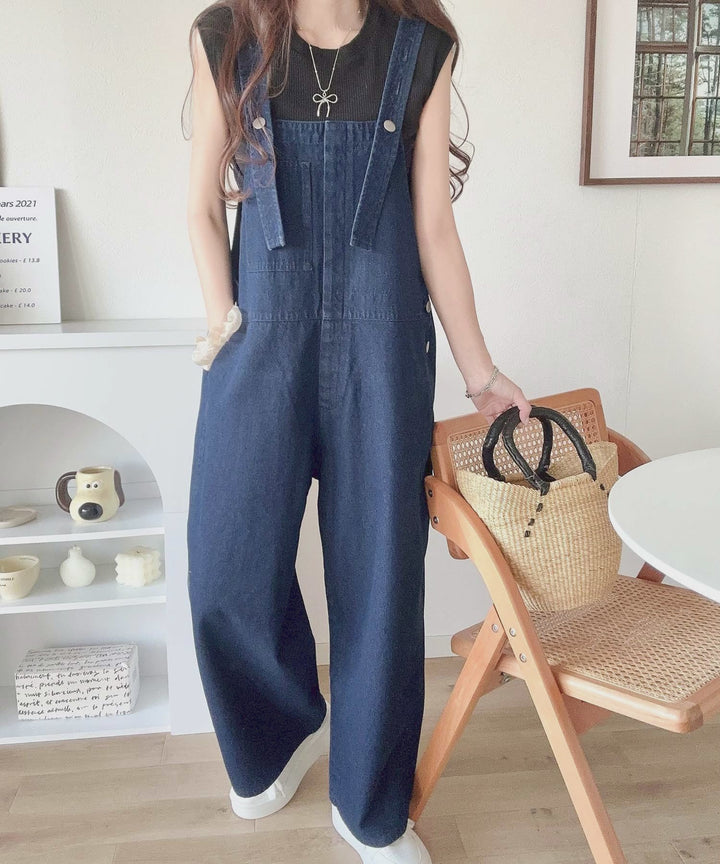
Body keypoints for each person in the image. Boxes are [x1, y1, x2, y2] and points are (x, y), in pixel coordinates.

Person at [184, 2, 532, 862]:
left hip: (381, 351)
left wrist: (481, 373)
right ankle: (280, 731)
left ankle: (369, 805)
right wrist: (224, 321)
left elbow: (433, 228)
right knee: (227, 566)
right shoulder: (227, 36)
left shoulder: (422, 49)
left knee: (380, 580)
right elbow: (200, 208)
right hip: (257, 344)